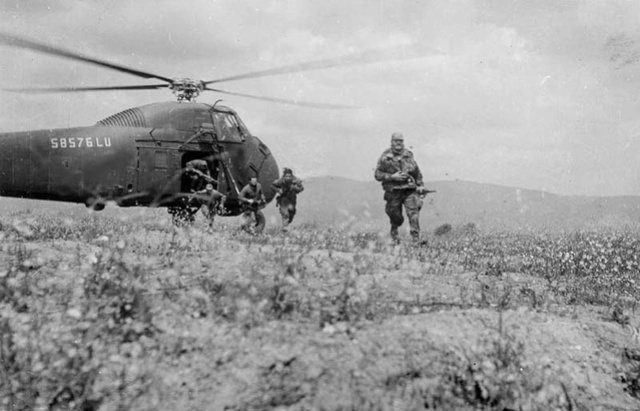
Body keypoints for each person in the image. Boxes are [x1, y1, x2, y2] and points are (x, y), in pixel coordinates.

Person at [374, 132, 428, 243]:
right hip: (393, 191)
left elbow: (417, 173)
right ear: (392, 142)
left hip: (409, 190)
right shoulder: (385, 157)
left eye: (401, 141)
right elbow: (377, 174)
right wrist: (392, 176)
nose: (399, 143)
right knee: (395, 215)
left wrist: (421, 186)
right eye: (396, 141)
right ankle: (394, 234)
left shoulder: (409, 155)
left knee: (413, 212)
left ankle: (416, 238)